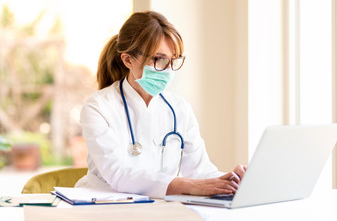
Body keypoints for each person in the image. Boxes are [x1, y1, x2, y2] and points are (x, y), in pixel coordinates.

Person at [75, 11, 247, 198]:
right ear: (128, 60)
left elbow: (201, 172)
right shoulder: (99, 107)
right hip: (102, 205)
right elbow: (118, 174)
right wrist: (185, 185)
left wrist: (232, 181)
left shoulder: (179, 109)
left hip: (157, 207)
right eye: (159, 59)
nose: (169, 70)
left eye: (174, 60)